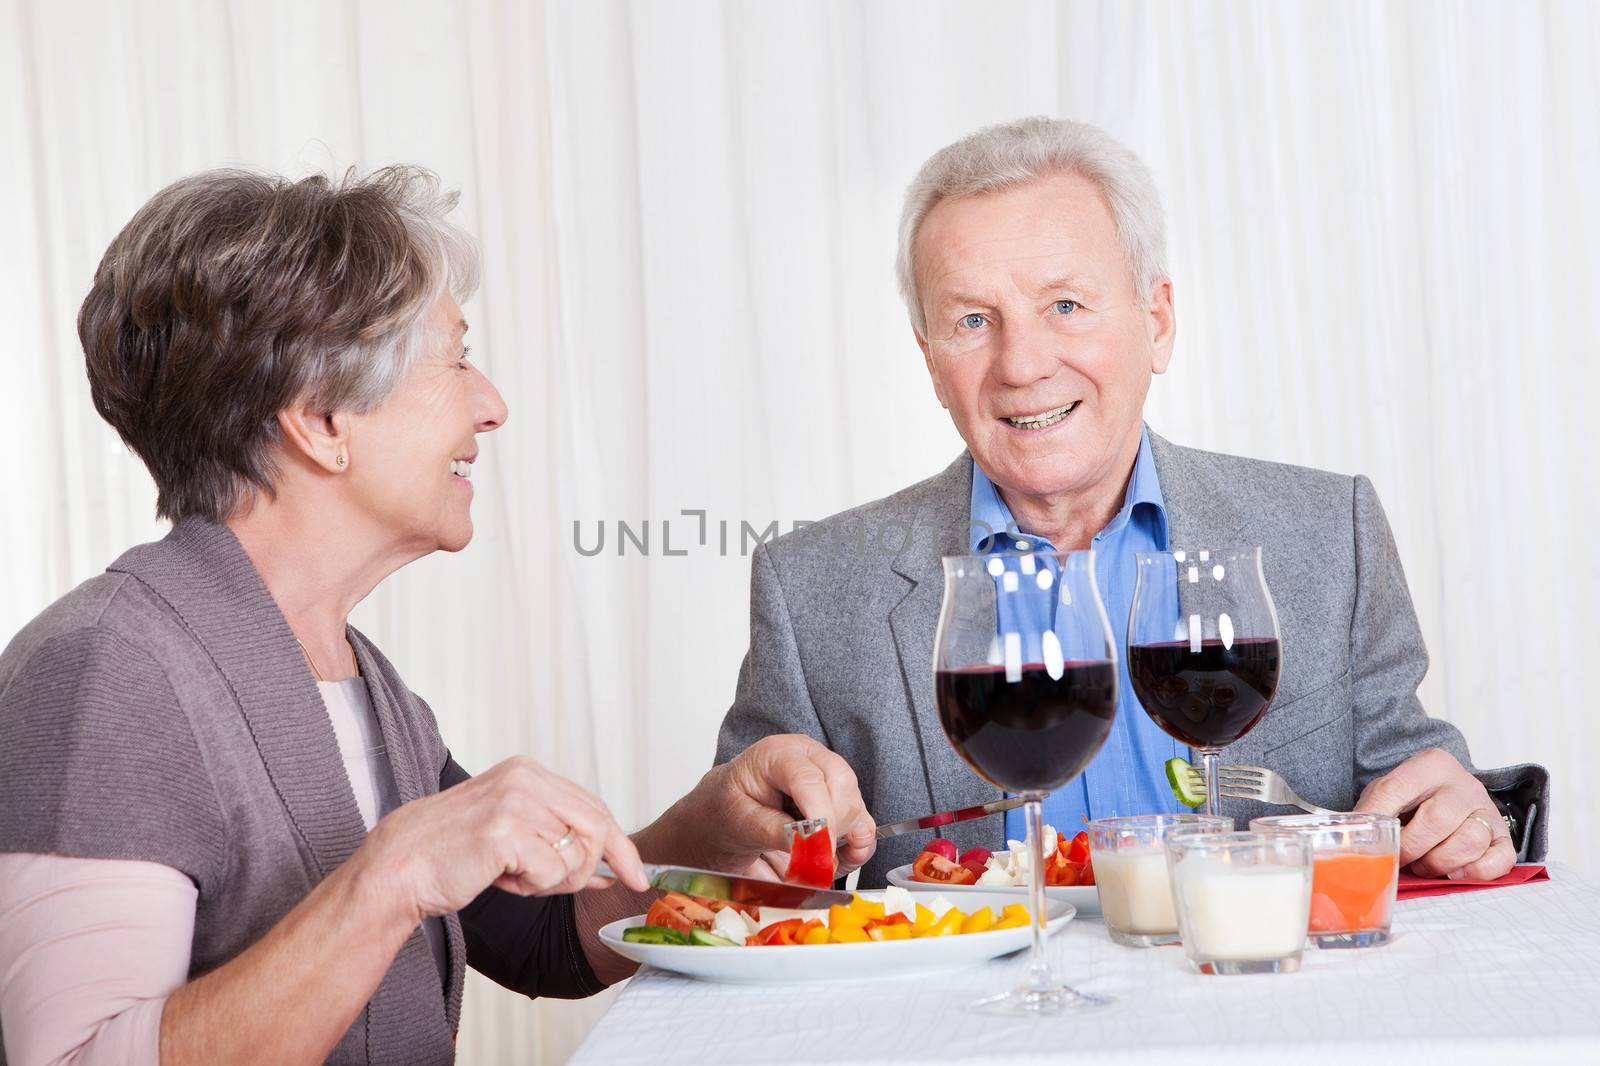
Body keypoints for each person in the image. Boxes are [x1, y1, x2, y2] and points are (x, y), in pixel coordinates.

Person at [0, 168, 876, 1066]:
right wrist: (394, 874)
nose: (491, 405)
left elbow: (540, 941)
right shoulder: (104, 670)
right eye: (457, 358)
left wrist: (708, 829)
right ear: (321, 418)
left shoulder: (360, 678)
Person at [716, 116, 1547, 888]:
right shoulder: (811, 590)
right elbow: (738, 875)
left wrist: (1469, 818)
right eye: (973, 321)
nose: (1022, 363)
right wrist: (761, 857)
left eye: (1065, 306)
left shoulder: (1330, 535)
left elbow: (1425, 805)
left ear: (1157, 322)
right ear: (930, 361)